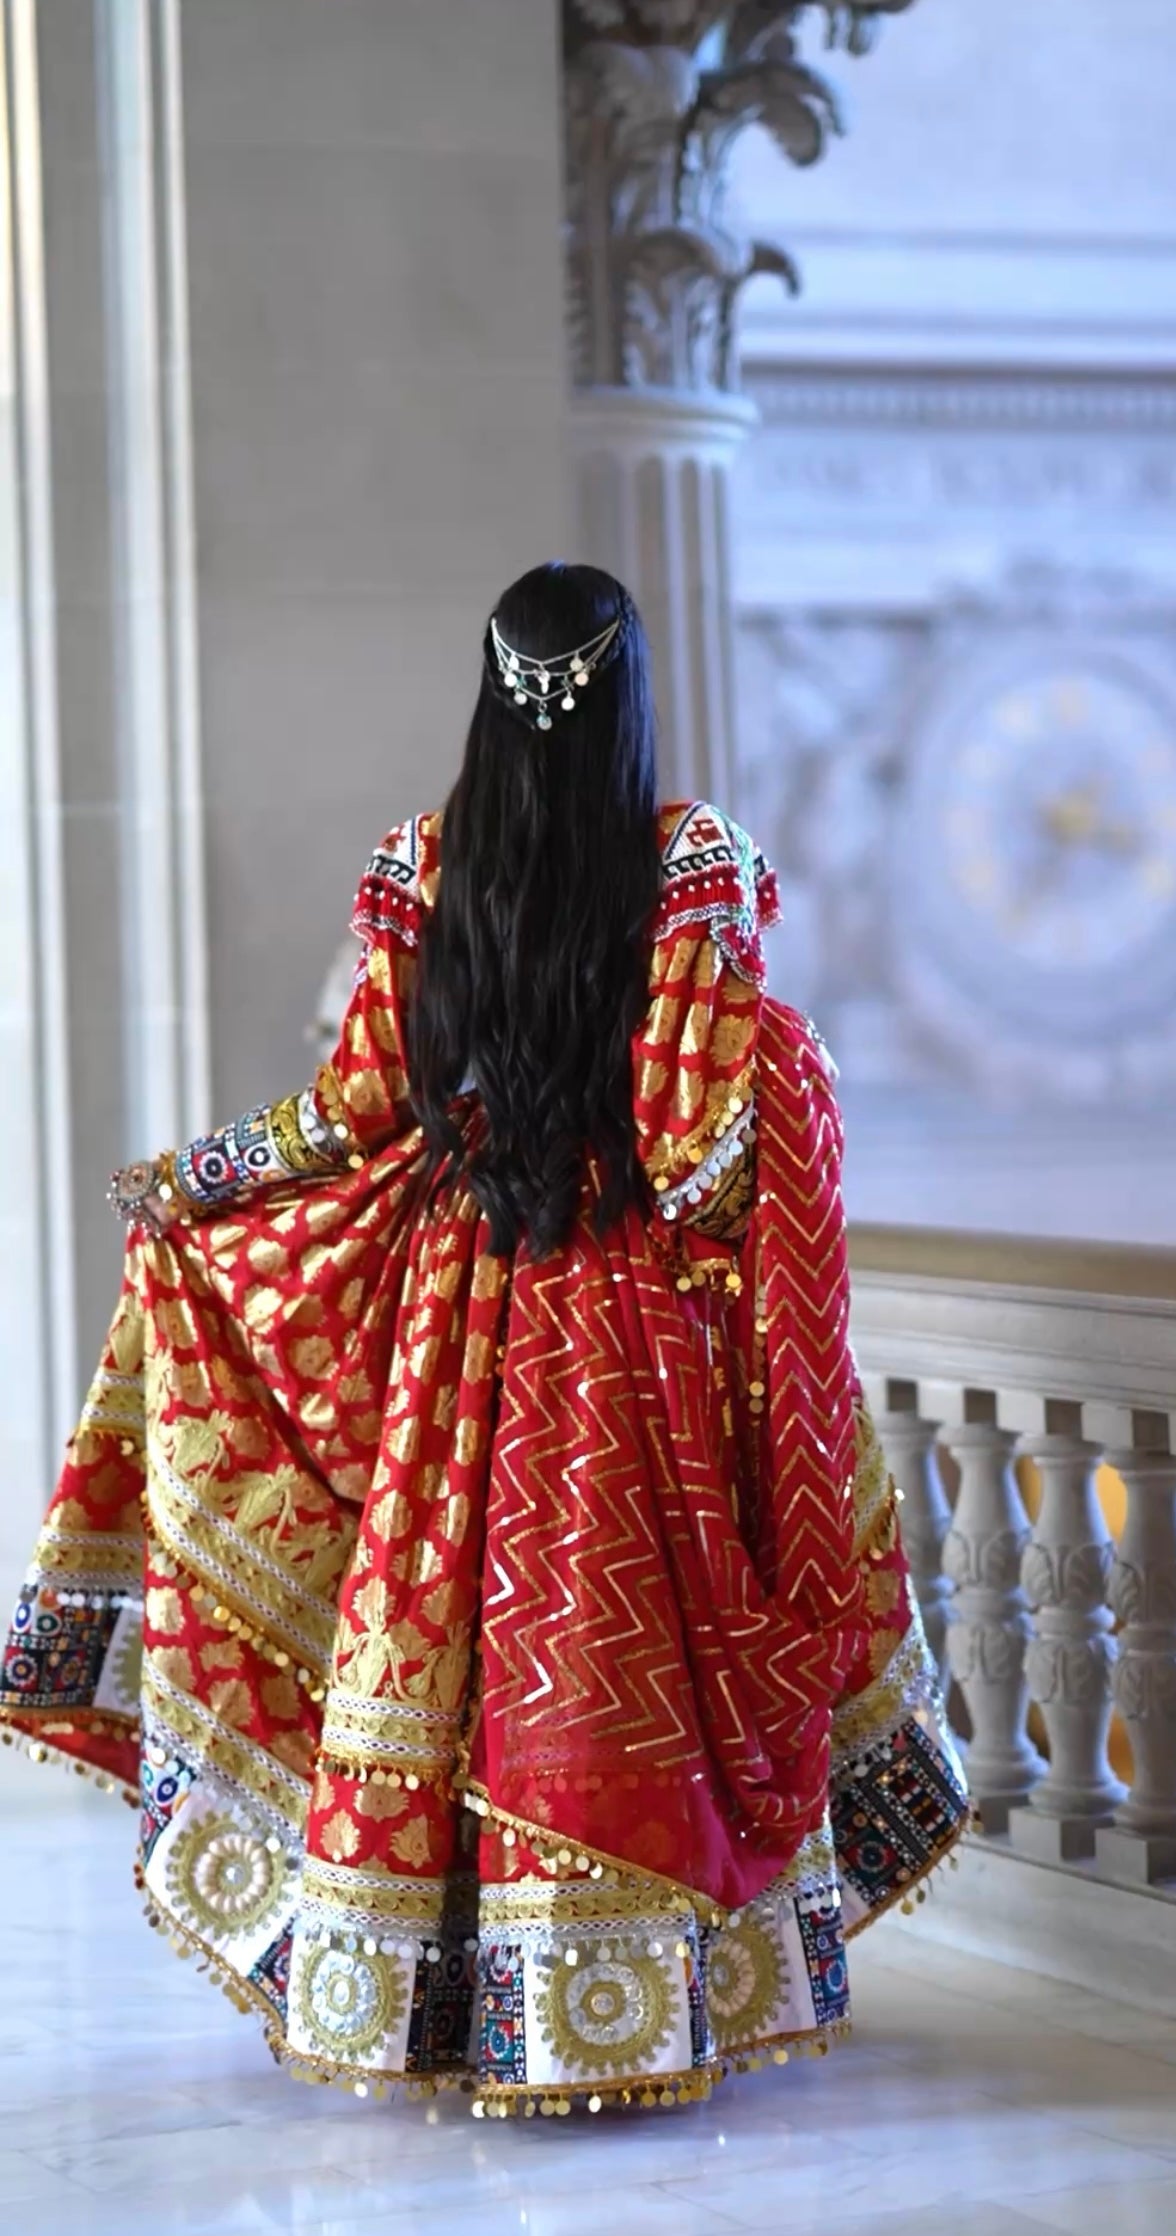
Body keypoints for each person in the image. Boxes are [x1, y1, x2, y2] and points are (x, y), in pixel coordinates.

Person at [0, 562, 966, 2116]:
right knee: (612, 1637)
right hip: (629, 1323)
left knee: (436, 1625)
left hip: (454, 1293)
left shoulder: (421, 862)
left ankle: (440, 2004)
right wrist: (785, 1083)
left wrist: (197, 1182)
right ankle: (624, 2006)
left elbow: (353, 1107)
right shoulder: (690, 860)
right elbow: (691, 1145)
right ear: (629, 694)